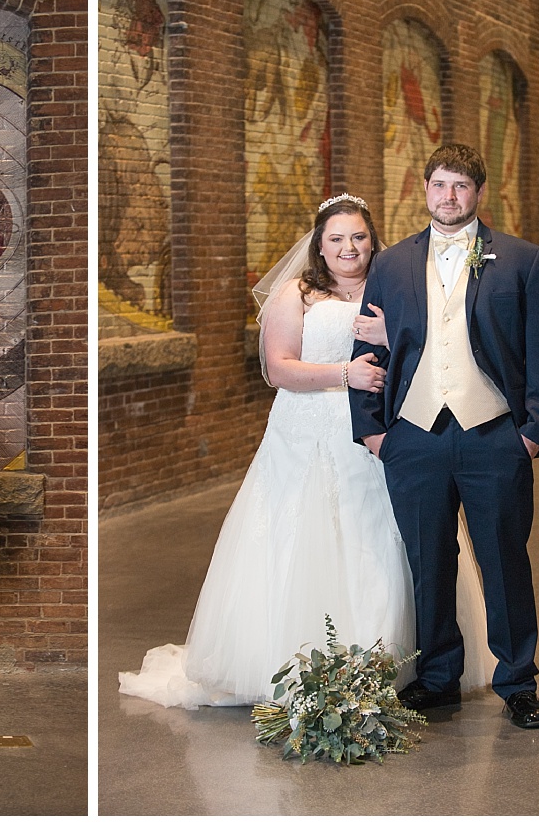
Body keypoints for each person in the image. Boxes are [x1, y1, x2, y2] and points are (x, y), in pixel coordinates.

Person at [119, 194, 495, 709]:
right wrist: (346, 374)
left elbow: (433, 349)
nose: (349, 247)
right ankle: (302, 659)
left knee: (382, 540)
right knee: (304, 536)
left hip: (384, 435)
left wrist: (391, 334)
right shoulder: (296, 294)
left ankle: (392, 660)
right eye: (336, 238)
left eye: (358, 237)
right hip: (305, 434)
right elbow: (278, 369)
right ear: (319, 245)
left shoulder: (397, 288)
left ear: (372, 239)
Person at [351, 143, 539, 729]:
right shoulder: (390, 265)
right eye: (440, 185)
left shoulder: (520, 260)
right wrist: (374, 433)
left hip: (494, 434)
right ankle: (439, 677)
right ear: (425, 190)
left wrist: (533, 433)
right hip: (413, 437)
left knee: (504, 560)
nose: (450, 197)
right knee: (429, 561)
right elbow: (368, 350)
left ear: (478, 192)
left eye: (461, 187)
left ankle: (517, 679)